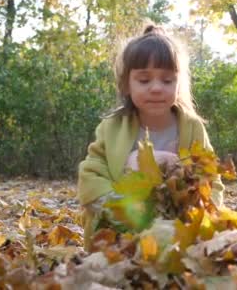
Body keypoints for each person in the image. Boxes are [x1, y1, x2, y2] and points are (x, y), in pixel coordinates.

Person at [77, 24, 224, 249]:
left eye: (167, 80)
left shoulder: (191, 127)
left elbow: (210, 180)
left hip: (176, 232)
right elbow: (91, 174)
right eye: (144, 80)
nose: (156, 88)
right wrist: (114, 207)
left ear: (179, 83)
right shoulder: (112, 127)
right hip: (119, 231)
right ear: (127, 84)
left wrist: (201, 214)